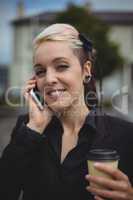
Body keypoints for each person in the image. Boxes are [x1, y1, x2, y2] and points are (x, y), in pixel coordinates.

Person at [0, 23, 133, 200]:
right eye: (40, 71)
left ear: (86, 70)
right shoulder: (26, 129)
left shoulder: (126, 135)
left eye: (61, 66)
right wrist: (34, 128)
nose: (49, 79)